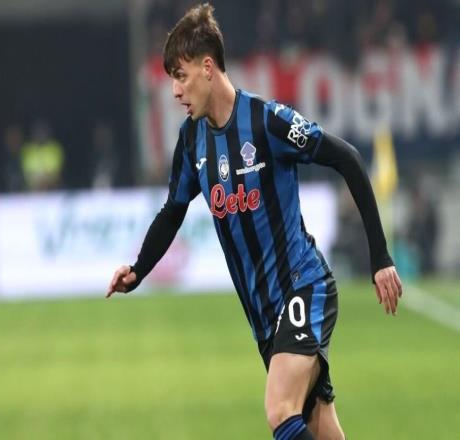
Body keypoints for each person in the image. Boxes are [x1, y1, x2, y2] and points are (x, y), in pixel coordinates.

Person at [107, 4, 403, 439]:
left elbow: (349, 159)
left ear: (208, 68)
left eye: (181, 75)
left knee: (280, 409)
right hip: (263, 314)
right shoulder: (191, 140)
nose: (175, 90)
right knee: (319, 427)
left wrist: (380, 257)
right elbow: (173, 210)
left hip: (304, 286)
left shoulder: (268, 122)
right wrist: (139, 269)